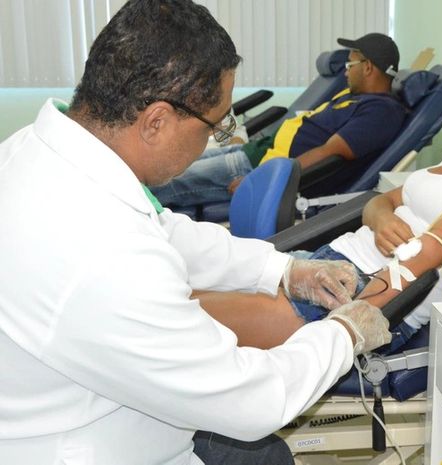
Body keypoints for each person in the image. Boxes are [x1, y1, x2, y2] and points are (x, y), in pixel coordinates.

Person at [0, 1, 392, 464]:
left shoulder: (35, 151)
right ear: (157, 121)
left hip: (96, 402)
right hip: (95, 445)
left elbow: (164, 230)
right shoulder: (103, 257)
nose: (216, 136)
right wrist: (344, 334)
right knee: (262, 450)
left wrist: (283, 268)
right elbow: (253, 401)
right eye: (216, 124)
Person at [194, 50, 442, 351]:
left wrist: (345, 327)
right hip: (329, 269)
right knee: (175, 291)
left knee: (182, 321)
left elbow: (423, 257)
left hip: (367, 295)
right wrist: (381, 219)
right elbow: (377, 202)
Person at [149, 32, 407, 206]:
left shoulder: (381, 112)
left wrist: (264, 179)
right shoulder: (354, 95)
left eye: (350, 66)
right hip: (257, 154)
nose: (345, 71)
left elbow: (330, 152)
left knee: (167, 180)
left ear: (369, 67)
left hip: (257, 169)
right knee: (165, 163)